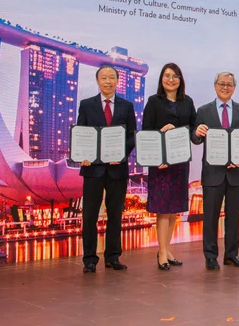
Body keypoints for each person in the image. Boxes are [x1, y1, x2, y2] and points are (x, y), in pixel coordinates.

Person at [76, 65, 137, 274]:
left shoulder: (127, 106)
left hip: (117, 169)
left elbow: (131, 135)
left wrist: (120, 155)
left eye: (112, 77)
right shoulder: (86, 105)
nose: (108, 81)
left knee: (115, 215)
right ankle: (89, 259)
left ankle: (113, 257)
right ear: (98, 81)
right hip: (92, 169)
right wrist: (81, 155)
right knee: (90, 216)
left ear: (117, 81)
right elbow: (81, 133)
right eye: (104, 78)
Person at [141, 63, 199, 271]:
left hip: (180, 161)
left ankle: (167, 248)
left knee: (174, 208)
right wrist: (161, 131)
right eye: (167, 76)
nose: (171, 79)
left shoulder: (187, 102)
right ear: (161, 79)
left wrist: (197, 134)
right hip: (161, 163)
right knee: (162, 209)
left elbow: (193, 129)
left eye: (175, 76)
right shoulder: (154, 102)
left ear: (180, 80)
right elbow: (146, 131)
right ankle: (162, 252)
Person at [194, 72, 239, 270]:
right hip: (212, 172)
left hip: (236, 173)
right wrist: (196, 132)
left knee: (234, 216)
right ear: (215, 85)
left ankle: (232, 255)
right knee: (210, 217)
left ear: (234, 87)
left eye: (229, 84)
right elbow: (196, 139)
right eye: (222, 84)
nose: (225, 87)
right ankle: (210, 256)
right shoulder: (203, 111)